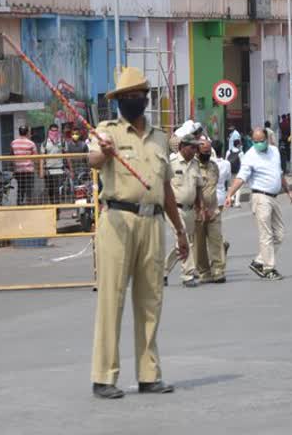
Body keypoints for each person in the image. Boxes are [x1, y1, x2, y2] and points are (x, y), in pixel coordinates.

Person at [88, 66, 187, 399]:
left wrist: (180, 229)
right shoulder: (107, 131)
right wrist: (104, 151)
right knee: (111, 299)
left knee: (150, 301)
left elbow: (167, 188)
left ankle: (149, 374)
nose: (132, 101)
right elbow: (93, 160)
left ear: (146, 99)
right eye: (125, 97)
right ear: (117, 101)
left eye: (137, 96)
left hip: (153, 222)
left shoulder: (160, 137)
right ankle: (104, 377)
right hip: (118, 220)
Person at [225, 128, 292, 280]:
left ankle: (259, 262)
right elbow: (241, 178)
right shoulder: (250, 156)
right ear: (252, 141)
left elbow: (279, 173)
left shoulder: (274, 151)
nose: (259, 144)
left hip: (273, 197)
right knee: (266, 234)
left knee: (279, 234)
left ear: (267, 138)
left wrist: (289, 191)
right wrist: (230, 194)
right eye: (255, 141)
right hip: (260, 197)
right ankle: (269, 268)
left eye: (261, 141)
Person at [165, 135, 204, 287]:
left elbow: (199, 186)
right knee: (183, 240)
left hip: (190, 209)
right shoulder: (172, 163)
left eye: (196, 148)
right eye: (192, 147)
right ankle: (188, 274)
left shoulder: (195, 164)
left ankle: (163, 271)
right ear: (182, 146)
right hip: (174, 209)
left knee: (183, 243)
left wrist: (200, 207)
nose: (195, 151)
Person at [194, 137, 226, 284]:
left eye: (208, 151)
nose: (206, 154)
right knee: (199, 245)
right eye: (204, 152)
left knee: (216, 241)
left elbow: (215, 184)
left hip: (213, 210)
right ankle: (204, 271)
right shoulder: (193, 167)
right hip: (197, 212)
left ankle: (218, 270)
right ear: (197, 151)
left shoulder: (214, 166)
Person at [40, 124, 66, 209]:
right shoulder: (44, 143)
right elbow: (42, 158)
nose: (54, 132)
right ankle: (53, 207)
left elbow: (67, 156)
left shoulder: (62, 142)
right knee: (50, 190)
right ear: (49, 131)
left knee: (57, 190)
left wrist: (70, 169)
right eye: (52, 131)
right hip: (49, 171)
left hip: (59, 170)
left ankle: (57, 209)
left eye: (56, 131)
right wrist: (41, 171)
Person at [11, 125, 38, 206]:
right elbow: (36, 157)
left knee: (20, 188)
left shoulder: (13, 143)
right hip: (28, 170)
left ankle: (19, 205)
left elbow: (11, 156)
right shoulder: (31, 144)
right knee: (29, 189)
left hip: (18, 170)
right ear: (27, 133)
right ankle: (29, 206)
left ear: (19, 132)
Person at [226, 139, 244, 207]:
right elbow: (243, 163)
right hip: (238, 171)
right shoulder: (241, 153)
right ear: (238, 145)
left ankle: (231, 198)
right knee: (238, 186)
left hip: (230, 170)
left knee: (230, 185)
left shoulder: (228, 151)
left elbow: (226, 160)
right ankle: (237, 202)